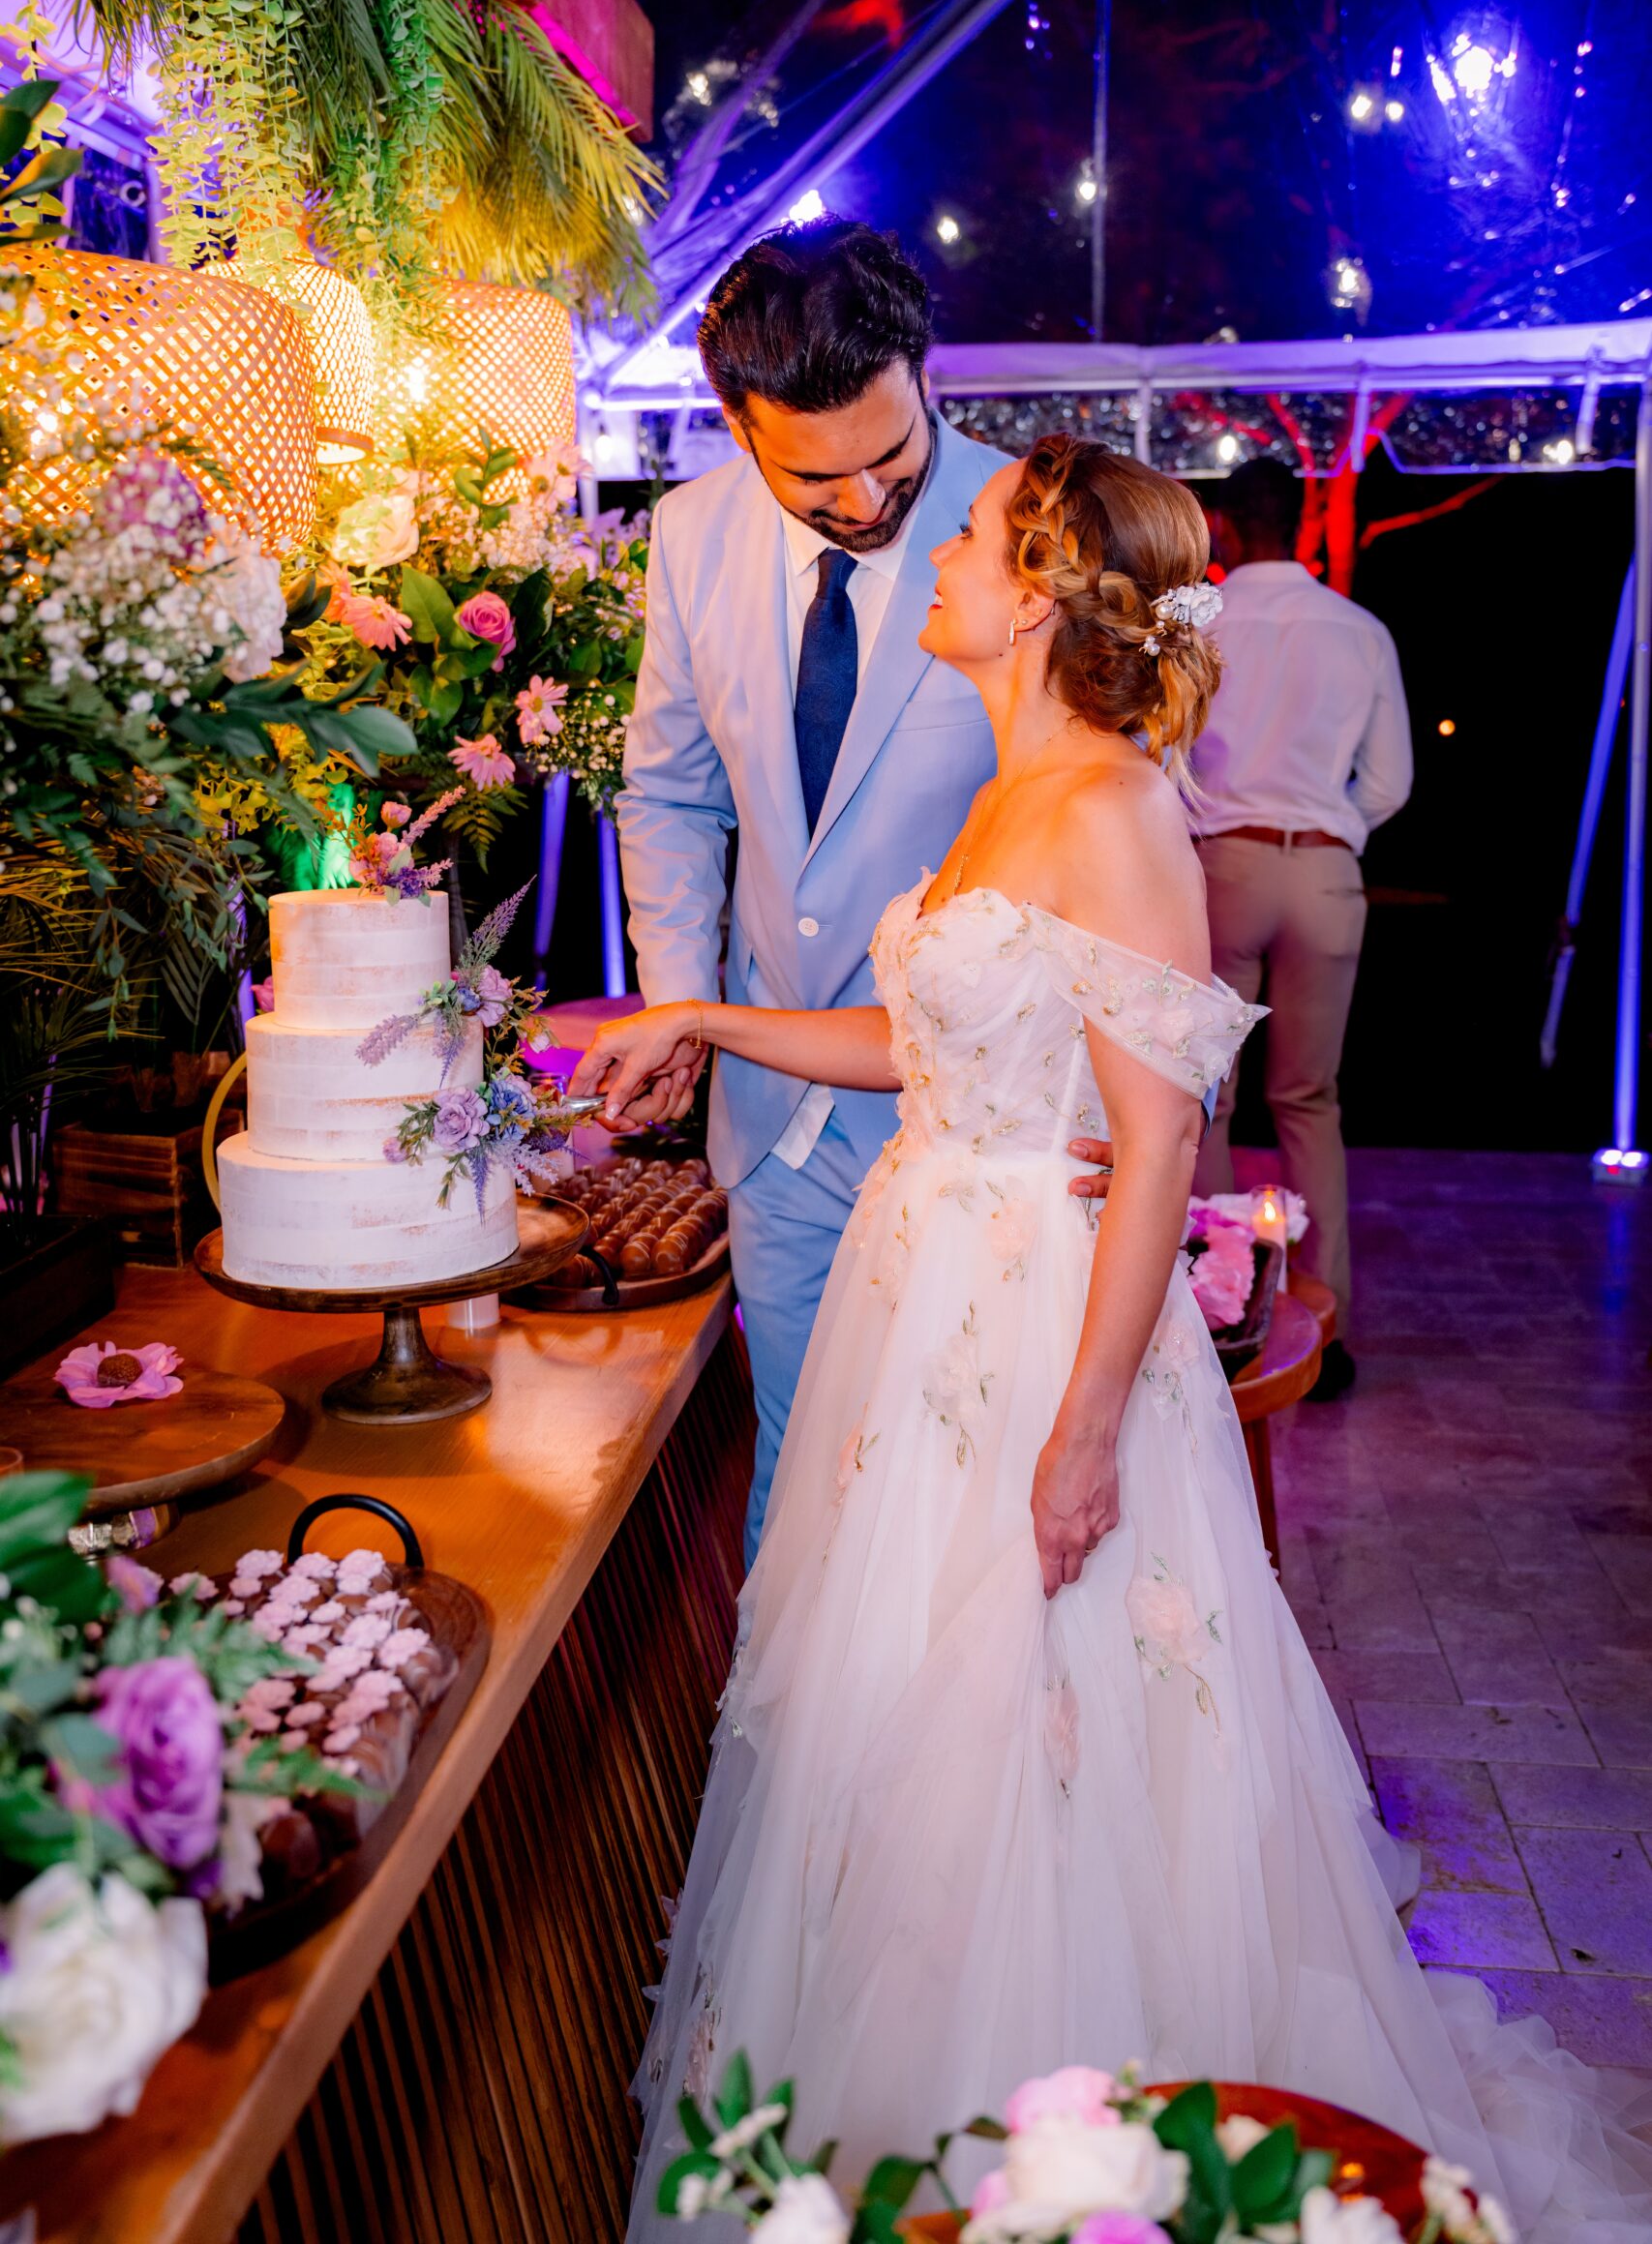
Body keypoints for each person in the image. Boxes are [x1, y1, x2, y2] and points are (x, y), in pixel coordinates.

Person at [577, 438, 1650, 2244]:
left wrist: (1083, 1434)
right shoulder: (1004, 795)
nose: (933, 562)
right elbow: (925, 1049)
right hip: (917, 1313)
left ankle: (1055, 2154)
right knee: (895, 1722)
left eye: (970, 540)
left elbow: (1153, 1140)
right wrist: (701, 1014)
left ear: (1044, 592)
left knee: (1035, 1735)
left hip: (1035, 1332)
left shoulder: (1116, 812)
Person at [616, 219, 1110, 1565]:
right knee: (807, 1479)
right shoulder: (686, 535)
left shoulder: (1034, 530)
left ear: (920, 365)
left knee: (974, 1505)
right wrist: (681, 1008)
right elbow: (668, 793)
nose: (860, 502)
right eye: (809, 477)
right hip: (777, 1118)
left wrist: (1124, 1100)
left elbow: (1120, 830)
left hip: (989, 1133)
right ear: (733, 424)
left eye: (888, 459)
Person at [1190, 458, 1413, 1396]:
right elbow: (1392, 781)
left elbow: (1163, 758)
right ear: (1302, 523)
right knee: (1309, 1101)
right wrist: (1326, 830)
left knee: (1205, 1091)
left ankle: (1207, 1319)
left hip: (1223, 865)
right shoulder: (1359, 630)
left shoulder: (1199, 622)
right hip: (1325, 871)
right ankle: (1326, 1328)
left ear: (1227, 528)